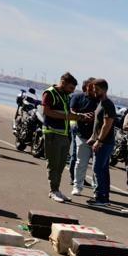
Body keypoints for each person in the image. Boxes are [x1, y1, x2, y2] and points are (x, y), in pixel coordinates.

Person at [40, 71, 77, 202]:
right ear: (63, 83)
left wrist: (79, 116)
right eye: (71, 88)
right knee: (53, 164)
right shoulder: (49, 93)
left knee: (61, 165)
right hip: (52, 133)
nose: (72, 91)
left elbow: (68, 112)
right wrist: (67, 116)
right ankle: (53, 190)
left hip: (64, 134)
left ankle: (57, 189)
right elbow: (46, 111)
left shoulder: (66, 96)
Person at [87, 78, 118, 206]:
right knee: (102, 169)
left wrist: (99, 141)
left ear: (104, 90)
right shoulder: (101, 103)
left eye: (96, 90)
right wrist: (93, 138)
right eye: (94, 89)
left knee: (97, 169)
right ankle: (103, 197)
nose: (94, 92)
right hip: (101, 141)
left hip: (104, 143)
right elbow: (99, 124)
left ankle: (101, 198)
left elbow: (107, 124)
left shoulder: (107, 104)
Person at [68, 78, 96, 197]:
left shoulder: (100, 100)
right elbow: (71, 112)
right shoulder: (78, 97)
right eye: (91, 87)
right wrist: (82, 117)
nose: (93, 90)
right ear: (86, 87)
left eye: (95, 88)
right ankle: (77, 186)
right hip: (81, 134)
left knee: (97, 166)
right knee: (80, 162)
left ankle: (97, 190)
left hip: (97, 137)